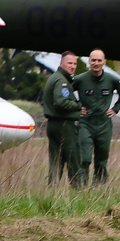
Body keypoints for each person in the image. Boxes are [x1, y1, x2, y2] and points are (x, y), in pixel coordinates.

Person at [74, 49, 120, 184]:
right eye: (93, 60)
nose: (96, 63)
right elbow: (65, 94)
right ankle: (80, 187)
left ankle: (99, 187)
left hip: (104, 125)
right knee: (85, 158)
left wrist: (115, 109)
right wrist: (76, 108)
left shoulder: (112, 80)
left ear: (104, 62)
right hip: (85, 123)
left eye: (99, 60)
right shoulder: (80, 79)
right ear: (89, 61)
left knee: (101, 159)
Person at [41, 51, 86, 187]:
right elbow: (60, 102)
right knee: (74, 159)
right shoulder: (62, 81)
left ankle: (52, 191)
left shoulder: (54, 77)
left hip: (53, 124)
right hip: (64, 125)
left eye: (74, 64)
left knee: (56, 161)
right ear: (61, 64)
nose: (72, 66)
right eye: (69, 63)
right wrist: (77, 106)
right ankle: (78, 192)